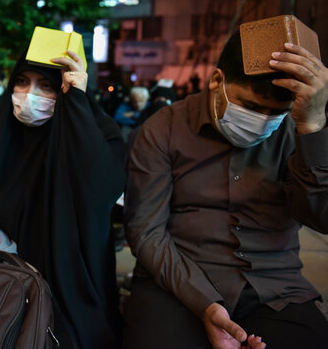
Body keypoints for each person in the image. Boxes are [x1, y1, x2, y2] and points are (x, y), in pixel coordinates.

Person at [123, 29, 328, 349]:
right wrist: (205, 303)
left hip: (275, 289)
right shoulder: (164, 128)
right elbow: (146, 231)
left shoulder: (295, 132)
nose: (263, 122)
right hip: (178, 284)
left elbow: (321, 217)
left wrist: (313, 127)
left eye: (275, 113)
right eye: (249, 106)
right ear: (216, 81)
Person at [0, 50, 126, 348]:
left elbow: (100, 188)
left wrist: (77, 101)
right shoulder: (1, 139)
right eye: (22, 82)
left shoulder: (98, 132)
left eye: (46, 86)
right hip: (1, 282)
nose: (29, 95)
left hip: (66, 292)